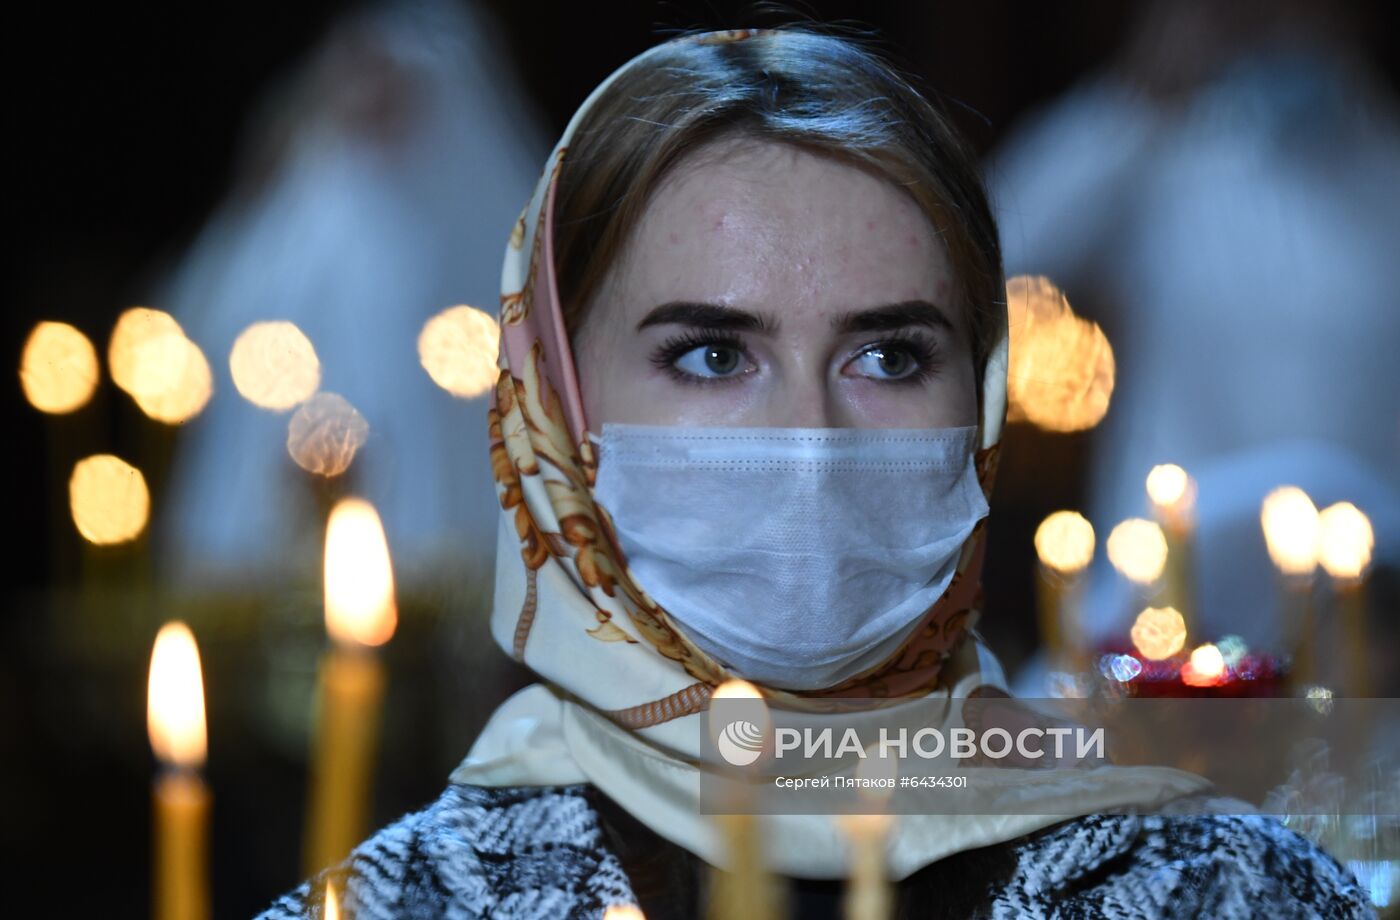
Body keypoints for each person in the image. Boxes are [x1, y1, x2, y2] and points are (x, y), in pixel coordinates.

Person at [258, 27, 1375, 919]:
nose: (811, 439)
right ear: (558, 407)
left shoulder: (1217, 890)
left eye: (888, 356)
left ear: (977, 400)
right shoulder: (406, 901)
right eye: (711, 354)